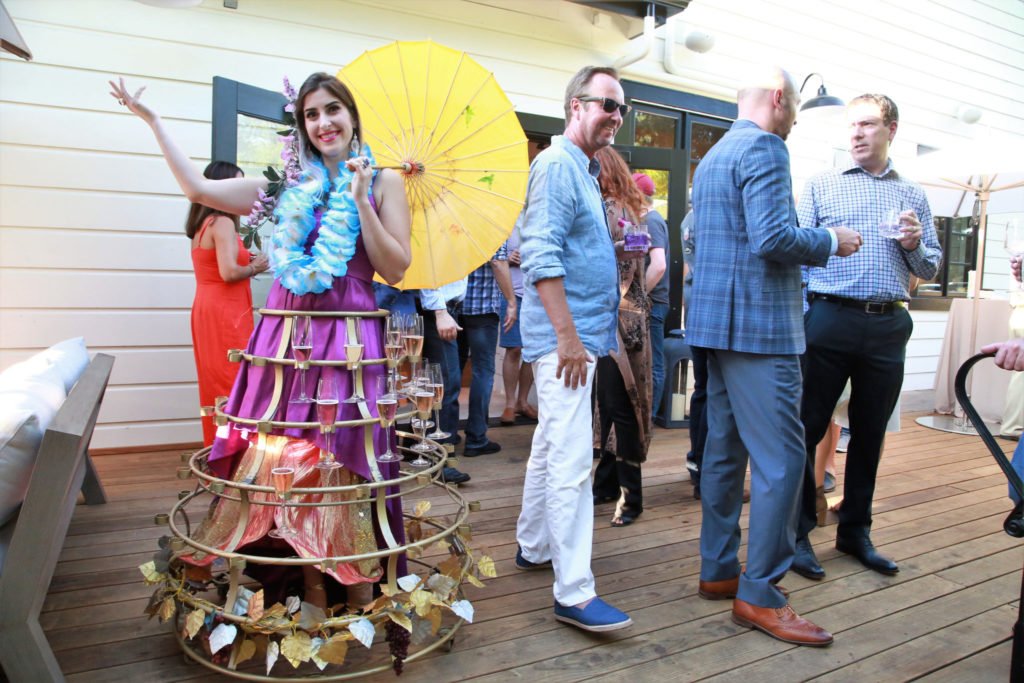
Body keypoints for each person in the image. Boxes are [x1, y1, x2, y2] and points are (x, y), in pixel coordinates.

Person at [110, 72, 411, 608]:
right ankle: (306, 587)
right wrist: (153, 122)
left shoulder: (385, 182)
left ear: (353, 115)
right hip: (286, 337)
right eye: (311, 115)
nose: (323, 123)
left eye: (333, 110)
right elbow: (199, 191)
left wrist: (362, 201)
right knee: (280, 460)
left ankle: (361, 592)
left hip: (347, 340)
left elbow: (396, 267)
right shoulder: (285, 186)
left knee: (344, 458)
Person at [687, 65, 862, 647]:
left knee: (723, 452)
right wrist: (831, 241)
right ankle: (759, 593)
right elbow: (773, 240)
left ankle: (719, 571)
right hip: (759, 331)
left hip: (715, 326)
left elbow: (704, 238)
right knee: (784, 461)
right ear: (780, 100)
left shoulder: (713, 155)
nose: (791, 121)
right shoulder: (765, 147)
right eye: (793, 109)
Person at [794, 93, 942, 581]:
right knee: (808, 425)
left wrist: (916, 243)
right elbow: (794, 254)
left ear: (892, 129)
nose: (856, 133)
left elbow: (931, 267)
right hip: (830, 317)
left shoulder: (913, 195)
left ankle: (855, 530)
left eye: (868, 124)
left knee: (870, 432)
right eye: (851, 125)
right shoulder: (820, 186)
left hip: (888, 322)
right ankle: (795, 533)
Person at [515, 65, 640, 632]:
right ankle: (574, 592)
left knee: (550, 444)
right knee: (570, 460)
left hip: (581, 336)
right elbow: (539, 253)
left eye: (621, 107)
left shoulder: (585, 171)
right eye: (605, 104)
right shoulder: (556, 164)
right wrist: (566, 336)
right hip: (566, 342)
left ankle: (534, 545)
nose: (615, 115)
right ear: (575, 106)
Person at [186, 161, 270, 446]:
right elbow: (228, 273)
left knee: (215, 381)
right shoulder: (221, 223)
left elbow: (216, 266)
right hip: (225, 312)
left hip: (207, 308)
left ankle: (217, 449)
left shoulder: (203, 224)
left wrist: (249, 259)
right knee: (232, 379)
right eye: (237, 185)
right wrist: (257, 266)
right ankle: (232, 454)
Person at [591, 147, 652, 528]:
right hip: (618, 319)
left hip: (618, 321)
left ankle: (632, 497)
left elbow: (634, 255)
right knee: (610, 405)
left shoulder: (615, 209)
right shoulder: (621, 207)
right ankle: (607, 483)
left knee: (620, 408)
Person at [458, 244, 516, 456]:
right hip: (482, 309)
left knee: (454, 371)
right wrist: (511, 301)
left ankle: (447, 432)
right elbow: (498, 262)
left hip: (454, 307)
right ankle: (476, 438)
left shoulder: (453, 219)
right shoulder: (488, 219)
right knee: (483, 372)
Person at [632, 172, 668, 420]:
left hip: (653, 303)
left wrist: (638, 294)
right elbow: (632, 260)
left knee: (653, 361)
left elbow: (659, 265)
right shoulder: (636, 221)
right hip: (638, 302)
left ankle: (650, 418)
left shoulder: (652, 221)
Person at [498, 215, 538, 426]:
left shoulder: (541, 219)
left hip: (539, 294)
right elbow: (492, 258)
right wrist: (508, 259)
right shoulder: (505, 220)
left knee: (532, 350)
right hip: (512, 294)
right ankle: (510, 404)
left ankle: (523, 401)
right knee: (513, 348)